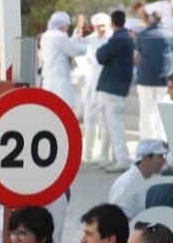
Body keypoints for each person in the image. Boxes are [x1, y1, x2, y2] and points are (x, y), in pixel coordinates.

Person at [96, 10, 136, 173]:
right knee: (108, 123)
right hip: (116, 86)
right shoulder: (125, 37)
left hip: (113, 86)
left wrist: (102, 52)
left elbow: (100, 55)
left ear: (112, 23)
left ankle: (122, 159)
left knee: (114, 124)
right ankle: (105, 156)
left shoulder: (119, 38)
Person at [135, 13, 173, 141]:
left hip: (145, 78)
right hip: (164, 79)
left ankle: (146, 145)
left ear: (151, 20)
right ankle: (162, 144)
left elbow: (138, 55)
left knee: (146, 114)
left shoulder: (143, 34)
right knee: (162, 115)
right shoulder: (170, 34)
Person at [108, 138, 169, 217]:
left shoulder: (145, 180)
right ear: (146, 158)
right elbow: (120, 222)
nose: (164, 161)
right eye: (160, 156)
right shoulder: (127, 184)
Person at [81, 14, 112, 165]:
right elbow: (76, 44)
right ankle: (88, 154)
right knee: (89, 120)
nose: (100, 29)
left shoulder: (113, 39)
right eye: (97, 26)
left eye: (102, 26)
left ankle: (104, 155)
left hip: (107, 84)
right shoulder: (91, 39)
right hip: (92, 85)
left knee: (107, 121)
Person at [40, 11, 88, 111]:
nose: (68, 27)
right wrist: (89, 48)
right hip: (60, 78)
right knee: (62, 108)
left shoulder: (46, 35)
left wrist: (76, 35)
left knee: (50, 108)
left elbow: (66, 46)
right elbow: (73, 50)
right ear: (63, 24)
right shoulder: (60, 36)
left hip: (48, 77)